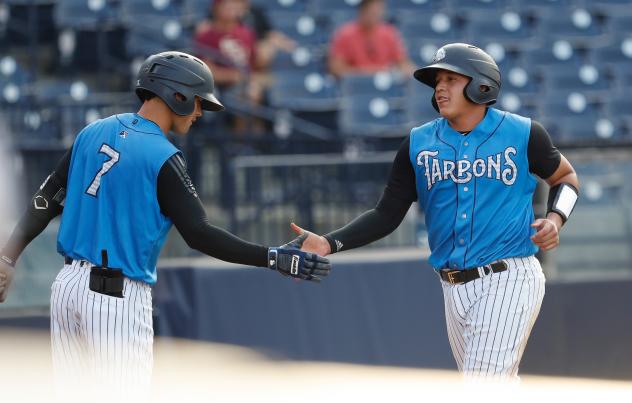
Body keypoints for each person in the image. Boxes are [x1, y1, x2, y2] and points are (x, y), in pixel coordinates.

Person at [0, 51, 330, 392]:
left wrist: (9, 255)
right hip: (116, 297)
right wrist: (273, 257)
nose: (200, 112)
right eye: (199, 101)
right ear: (177, 94)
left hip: (66, 287)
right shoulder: (163, 155)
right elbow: (200, 234)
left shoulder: (92, 132)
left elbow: (47, 199)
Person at [291, 43, 580, 379]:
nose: (439, 87)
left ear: (481, 84)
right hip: (452, 287)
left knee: (481, 387)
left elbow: (566, 178)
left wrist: (555, 218)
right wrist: (329, 243)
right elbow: (387, 214)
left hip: (509, 276)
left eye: (450, 79)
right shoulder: (417, 143)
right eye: (436, 81)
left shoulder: (523, 133)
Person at [328, 0, 415, 78]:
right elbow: (336, 69)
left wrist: (407, 71)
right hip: (355, 88)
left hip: (385, 86)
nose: (375, 13)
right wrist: (367, 74)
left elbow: (404, 64)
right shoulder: (345, 34)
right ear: (362, 10)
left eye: (378, 9)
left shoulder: (389, 33)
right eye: (371, 10)